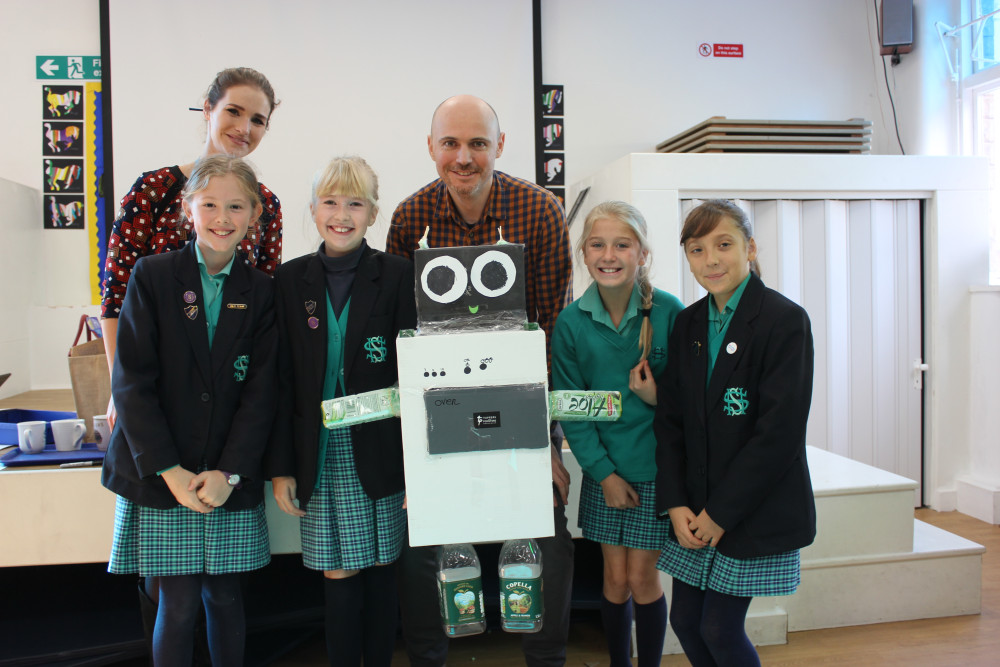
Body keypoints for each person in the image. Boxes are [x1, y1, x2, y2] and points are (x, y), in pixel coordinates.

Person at [386, 94, 574, 667]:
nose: (463, 157)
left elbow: (551, 328)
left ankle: (547, 659)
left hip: (523, 402)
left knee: (545, 529)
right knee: (424, 537)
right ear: (430, 146)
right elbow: (402, 335)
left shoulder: (540, 211)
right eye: (450, 143)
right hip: (439, 407)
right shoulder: (409, 218)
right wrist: (413, 451)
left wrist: (541, 439)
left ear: (500, 145)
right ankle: (428, 659)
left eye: (477, 143)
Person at [101, 155, 278, 666]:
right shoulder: (152, 276)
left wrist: (230, 472)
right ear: (187, 209)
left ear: (254, 215)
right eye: (210, 205)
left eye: (236, 207)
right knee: (176, 603)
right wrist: (170, 471)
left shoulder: (262, 291)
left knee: (224, 596)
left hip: (227, 473)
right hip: (163, 472)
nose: (222, 218)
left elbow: (263, 392)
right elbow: (131, 381)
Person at [265, 156, 415, 667]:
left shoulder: (398, 275)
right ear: (313, 209)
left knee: (382, 571)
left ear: (373, 213)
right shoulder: (290, 280)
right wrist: (281, 467)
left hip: (382, 450)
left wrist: (418, 469)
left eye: (355, 203)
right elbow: (281, 383)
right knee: (338, 573)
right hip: (318, 453)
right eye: (330, 202)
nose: (342, 215)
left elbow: (416, 378)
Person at [654, 199, 816, 666]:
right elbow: (671, 422)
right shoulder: (687, 323)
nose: (711, 260)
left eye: (723, 245)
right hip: (694, 509)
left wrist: (719, 514)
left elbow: (779, 435)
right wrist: (676, 502)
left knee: (718, 629)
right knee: (686, 621)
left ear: (750, 248)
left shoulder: (784, 321)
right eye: (697, 249)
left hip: (749, 510)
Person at [101, 66, 283, 422]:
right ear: (208, 109)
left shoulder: (267, 205)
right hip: (154, 385)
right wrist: (119, 386)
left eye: (257, 120)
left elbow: (265, 300)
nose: (244, 128)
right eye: (234, 111)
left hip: (229, 391)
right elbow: (115, 295)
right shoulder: (153, 190)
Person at [552, 201, 683, 667]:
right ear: (584, 254)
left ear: (642, 253)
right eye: (597, 245)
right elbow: (571, 410)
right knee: (613, 578)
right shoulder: (570, 323)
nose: (609, 255)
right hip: (603, 472)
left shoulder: (670, 312)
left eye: (622, 245)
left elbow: (691, 405)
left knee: (642, 579)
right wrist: (604, 474)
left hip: (656, 473)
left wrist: (655, 397)